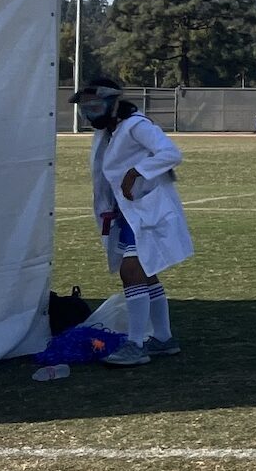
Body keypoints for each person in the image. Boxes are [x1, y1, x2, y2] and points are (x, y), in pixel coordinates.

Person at [75, 75, 193, 365]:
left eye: (95, 106)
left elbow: (170, 153)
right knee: (146, 271)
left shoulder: (135, 125)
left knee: (131, 272)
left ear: (112, 103)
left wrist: (136, 172)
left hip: (148, 211)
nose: (90, 113)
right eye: (85, 108)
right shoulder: (109, 133)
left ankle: (136, 343)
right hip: (128, 213)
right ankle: (163, 339)